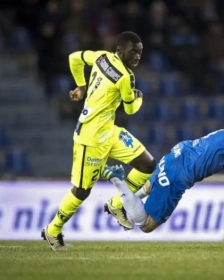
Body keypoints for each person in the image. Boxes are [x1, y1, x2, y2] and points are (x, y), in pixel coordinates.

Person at [42, 31, 156, 251]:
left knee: (148, 165)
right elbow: (131, 109)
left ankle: (116, 205)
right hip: (91, 138)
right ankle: (53, 230)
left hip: (109, 131)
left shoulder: (101, 57)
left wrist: (82, 86)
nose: (137, 57)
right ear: (120, 50)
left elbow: (73, 58)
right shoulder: (125, 77)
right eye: (133, 52)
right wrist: (139, 98)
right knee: (82, 190)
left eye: (140, 53)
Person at [102, 113, 224, 233]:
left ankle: (116, 205)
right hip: (181, 173)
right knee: (146, 225)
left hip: (178, 153)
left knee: (148, 187)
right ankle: (119, 182)